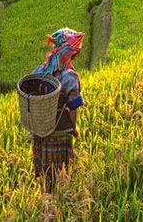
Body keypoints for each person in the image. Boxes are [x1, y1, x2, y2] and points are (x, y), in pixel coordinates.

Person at [29, 27, 85, 190]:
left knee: (46, 168)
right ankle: (59, 200)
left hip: (41, 128)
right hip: (60, 128)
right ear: (69, 53)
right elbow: (73, 106)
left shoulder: (40, 71)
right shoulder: (69, 76)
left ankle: (47, 195)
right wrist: (74, 128)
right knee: (61, 171)